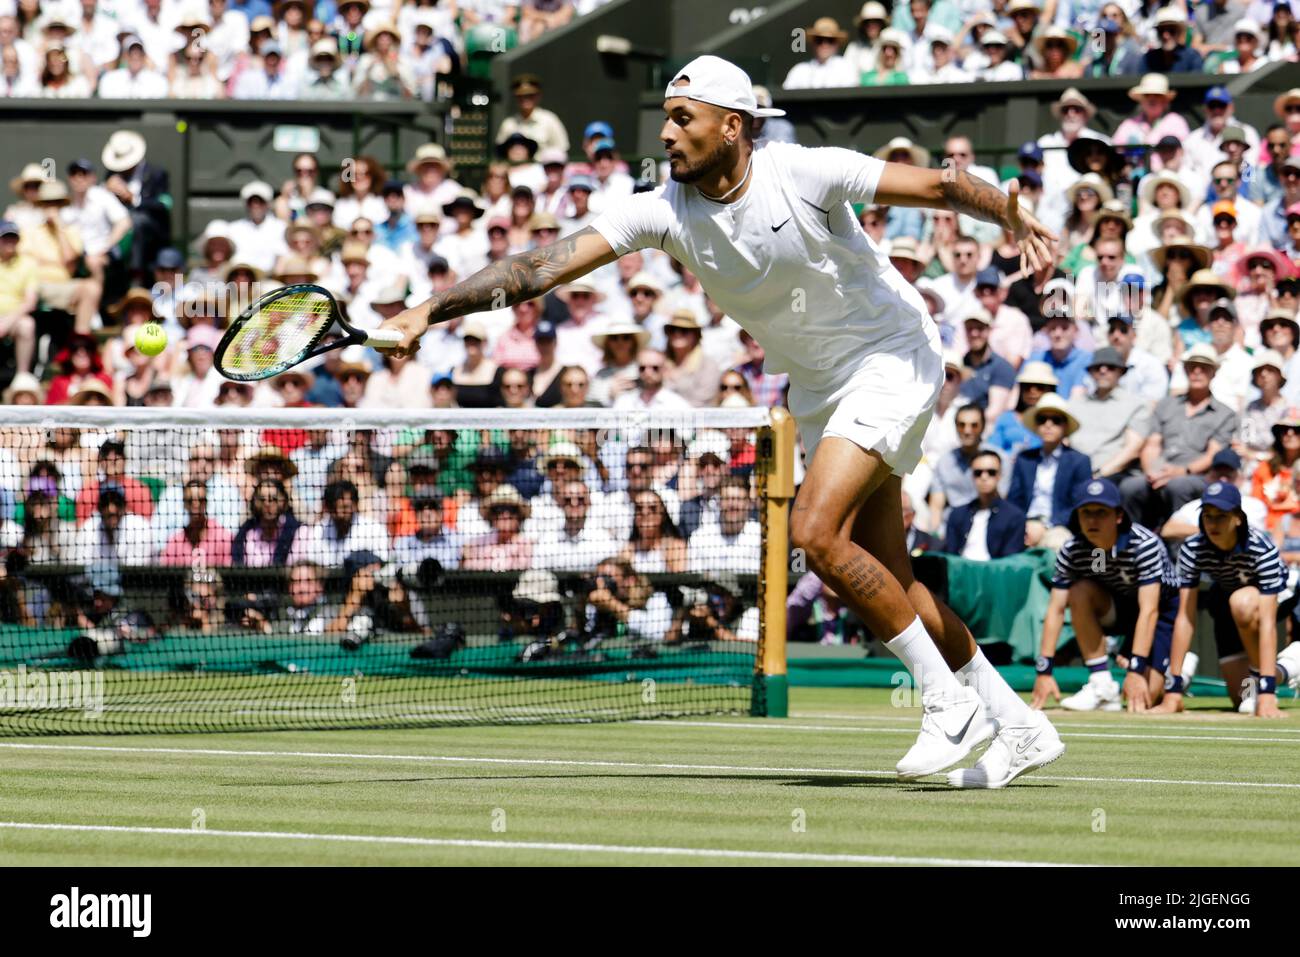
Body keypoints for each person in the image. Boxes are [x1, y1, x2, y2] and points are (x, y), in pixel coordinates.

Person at [380, 54, 1064, 788]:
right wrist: (429, 309)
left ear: (731, 126)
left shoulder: (803, 170)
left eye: (683, 119)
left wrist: (1006, 211)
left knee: (813, 532)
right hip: (820, 386)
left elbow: (937, 183)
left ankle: (944, 701)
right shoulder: (662, 210)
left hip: (891, 356)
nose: (668, 136)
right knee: (890, 577)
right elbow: (540, 266)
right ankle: (1017, 724)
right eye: (665, 120)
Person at [1032, 479, 1183, 714]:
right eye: (1086, 513)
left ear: (1118, 516)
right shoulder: (1072, 550)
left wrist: (1135, 670)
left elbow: (1149, 610)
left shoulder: (1144, 545)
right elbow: (1056, 610)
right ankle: (1102, 685)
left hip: (1160, 611)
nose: (1092, 520)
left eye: (1101, 512)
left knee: (1147, 698)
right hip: (1120, 604)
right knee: (1079, 590)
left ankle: (1180, 667)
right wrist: (1044, 671)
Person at [1159, 482, 1300, 718]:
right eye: (1207, 516)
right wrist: (1172, 691)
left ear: (1237, 518)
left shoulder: (1260, 548)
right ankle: (1290, 666)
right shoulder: (1193, 549)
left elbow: (1266, 623)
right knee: (1242, 700)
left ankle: (1263, 681)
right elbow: (1185, 617)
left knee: (1241, 603)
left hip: (1278, 596)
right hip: (1227, 602)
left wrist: (1266, 695)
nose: (1212, 524)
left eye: (1221, 516)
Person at [1121, 344, 1240, 529]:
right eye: (1193, 367)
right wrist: (1151, 472)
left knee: (1178, 487)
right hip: (1160, 469)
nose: (1197, 372)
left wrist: (1181, 471)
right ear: (1185, 370)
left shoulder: (1225, 414)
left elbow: (1211, 456)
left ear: (1213, 373)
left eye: (1204, 368)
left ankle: (1178, 548)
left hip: (1197, 475)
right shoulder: (1166, 405)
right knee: (1129, 487)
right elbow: (1152, 444)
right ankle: (1131, 543)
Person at [1007, 393, 1092, 549]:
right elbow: (1014, 500)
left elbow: (1079, 505)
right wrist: (1023, 525)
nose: (1048, 424)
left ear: (1065, 426)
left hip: (1059, 527)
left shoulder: (1079, 461)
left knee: (1057, 544)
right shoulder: (1024, 459)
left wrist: (1046, 525)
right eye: (1042, 420)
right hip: (1025, 524)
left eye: (1056, 420)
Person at [942, 449, 1026, 560]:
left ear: (999, 475)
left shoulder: (1015, 517)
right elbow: (950, 556)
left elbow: (1010, 561)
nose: (984, 477)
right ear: (972, 476)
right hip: (960, 571)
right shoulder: (957, 514)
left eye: (991, 472)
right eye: (978, 473)